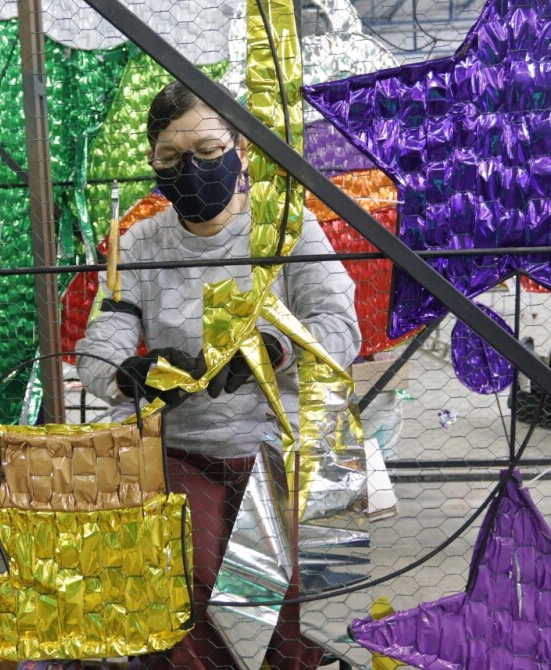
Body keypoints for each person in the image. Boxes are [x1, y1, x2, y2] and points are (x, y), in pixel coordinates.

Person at [76, 81, 361, 670]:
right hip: (184, 447)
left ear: (242, 151)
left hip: (284, 444)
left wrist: (272, 351)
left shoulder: (286, 227)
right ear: (152, 159)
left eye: (208, 152)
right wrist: (128, 375)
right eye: (171, 158)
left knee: (298, 598)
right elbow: (100, 347)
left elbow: (340, 329)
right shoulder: (139, 244)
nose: (191, 169)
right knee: (183, 577)